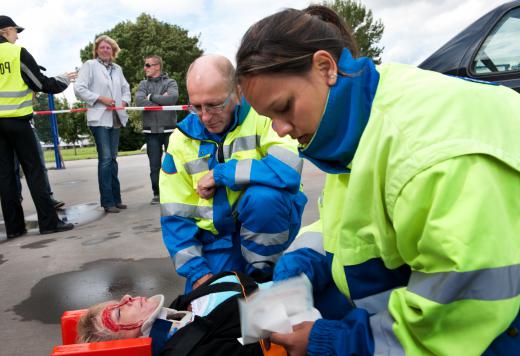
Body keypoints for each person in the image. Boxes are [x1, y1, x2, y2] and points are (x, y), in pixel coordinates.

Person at [235, 5, 520, 356]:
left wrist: (331, 342)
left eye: (284, 108)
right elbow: (350, 224)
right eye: (268, 118)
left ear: (325, 67)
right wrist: (301, 262)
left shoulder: (427, 154)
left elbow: (460, 316)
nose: (279, 129)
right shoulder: (362, 114)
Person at [159, 54, 307, 292]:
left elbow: (288, 168)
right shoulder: (180, 141)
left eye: (214, 105)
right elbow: (175, 215)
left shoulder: (263, 115)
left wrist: (222, 174)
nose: (205, 117)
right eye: (196, 107)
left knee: (265, 198)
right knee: (209, 312)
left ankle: (265, 273)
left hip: (265, 230)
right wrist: (198, 272)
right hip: (216, 242)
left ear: (237, 92)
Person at [0, 15, 75, 237]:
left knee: (5, 176)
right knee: (35, 172)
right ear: (5, 32)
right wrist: (63, 79)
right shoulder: (16, 53)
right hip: (18, 122)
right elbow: (40, 84)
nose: (17, 36)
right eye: (15, 31)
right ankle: (49, 223)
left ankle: (14, 228)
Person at [76, 272, 270, 356]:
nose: (127, 297)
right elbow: (283, 342)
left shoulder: (179, 309)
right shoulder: (192, 351)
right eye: (118, 312)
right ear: (127, 343)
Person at [74, 35, 130, 213]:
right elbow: (79, 88)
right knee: (105, 159)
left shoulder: (117, 69)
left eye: (109, 48)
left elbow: (125, 88)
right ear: (97, 50)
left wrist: (125, 102)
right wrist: (100, 98)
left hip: (115, 117)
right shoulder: (90, 66)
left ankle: (116, 198)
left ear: (113, 51)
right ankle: (107, 201)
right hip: (99, 118)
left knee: (112, 160)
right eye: (102, 47)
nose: (105, 50)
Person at [135, 55, 178, 205]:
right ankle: (157, 194)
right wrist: (160, 100)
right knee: (154, 165)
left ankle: (174, 192)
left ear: (157, 66)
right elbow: (140, 101)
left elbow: (172, 99)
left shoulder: (171, 82)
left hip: (169, 129)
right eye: (145, 65)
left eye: (148, 65)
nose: (145, 68)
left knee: (173, 162)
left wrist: (151, 96)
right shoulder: (142, 84)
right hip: (150, 131)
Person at [14, 123, 65, 209]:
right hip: (5, 126)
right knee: (13, 169)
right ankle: (15, 203)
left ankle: (47, 198)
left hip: (27, 125)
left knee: (40, 166)